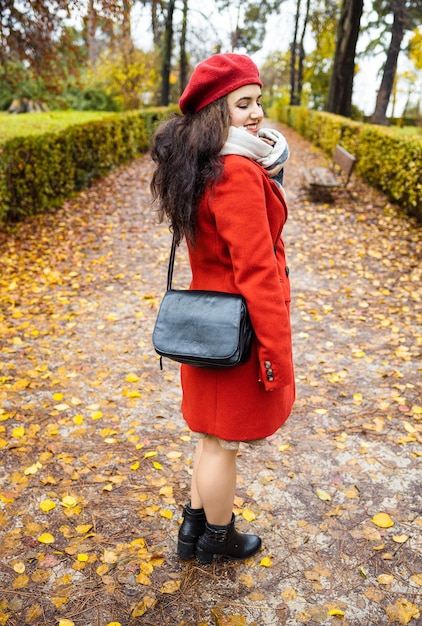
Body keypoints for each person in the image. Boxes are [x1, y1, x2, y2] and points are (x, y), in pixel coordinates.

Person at [150, 53, 295, 565]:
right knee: (222, 445)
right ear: (217, 111)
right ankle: (218, 537)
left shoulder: (204, 163)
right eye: (243, 104)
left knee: (209, 438)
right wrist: (276, 350)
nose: (256, 113)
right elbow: (256, 269)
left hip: (205, 322)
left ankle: (192, 530)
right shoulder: (235, 172)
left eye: (258, 101)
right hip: (237, 329)